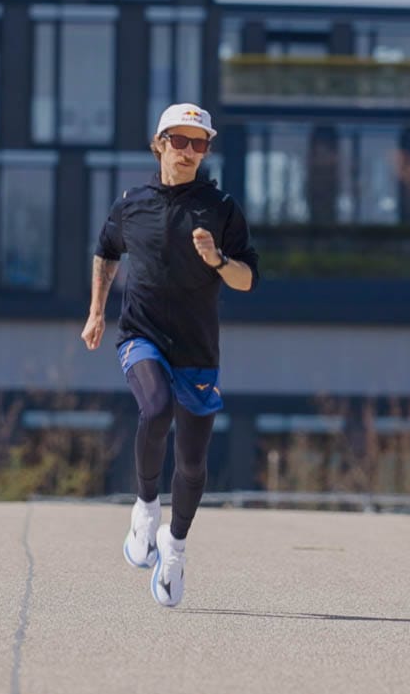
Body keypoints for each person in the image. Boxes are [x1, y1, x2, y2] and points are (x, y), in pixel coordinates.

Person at [82, 102, 259, 609]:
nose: (187, 151)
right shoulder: (131, 204)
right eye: (178, 141)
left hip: (197, 349)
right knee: (156, 409)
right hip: (142, 334)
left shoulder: (221, 208)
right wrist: (96, 312)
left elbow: (248, 279)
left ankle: (174, 549)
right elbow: (106, 251)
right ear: (159, 144)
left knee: (193, 463)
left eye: (198, 143)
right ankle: (144, 508)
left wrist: (218, 260)